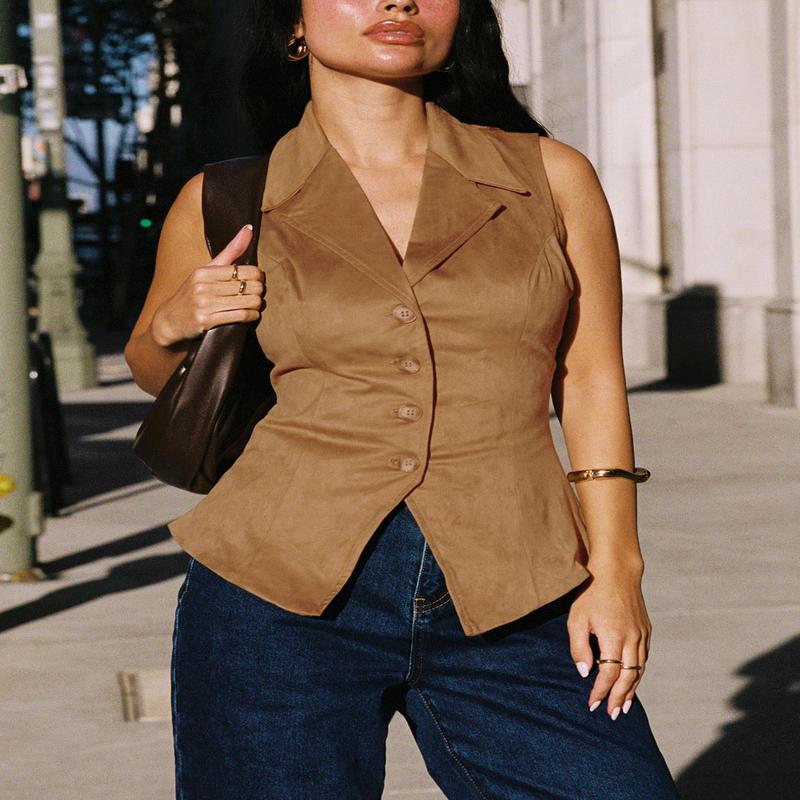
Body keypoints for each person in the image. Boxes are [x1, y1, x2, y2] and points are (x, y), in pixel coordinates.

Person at [125, 1, 682, 798]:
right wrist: (180, 319)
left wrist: (617, 571)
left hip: (516, 584)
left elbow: (589, 376)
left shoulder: (549, 177)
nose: (398, 1)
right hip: (278, 593)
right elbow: (153, 370)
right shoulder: (227, 197)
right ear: (293, 23)